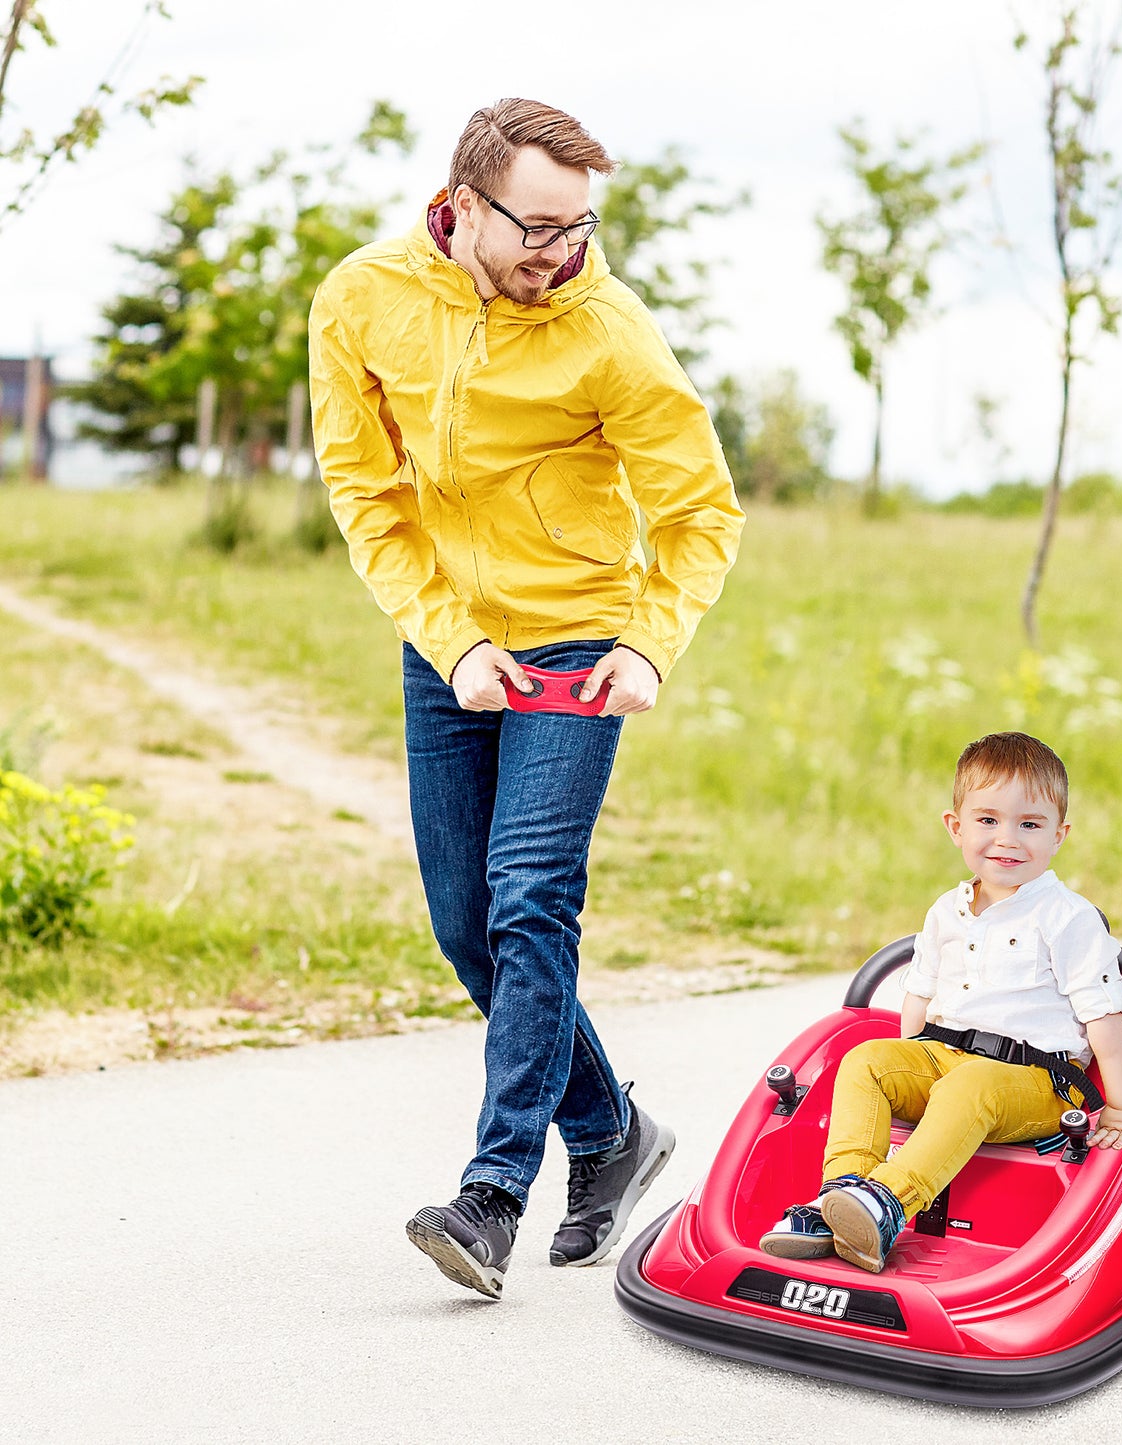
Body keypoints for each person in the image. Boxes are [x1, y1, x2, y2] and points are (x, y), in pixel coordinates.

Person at [308, 99, 744, 1299]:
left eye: (579, 225)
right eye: (539, 227)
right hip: (448, 641)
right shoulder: (361, 298)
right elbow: (367, 496)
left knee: (529, 898)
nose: (563, 250)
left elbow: (700, 511)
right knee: (466, 922)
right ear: (464, 205)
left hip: (579, 642)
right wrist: (450, 641)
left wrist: (648, 644)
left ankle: (492, 1195)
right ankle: (611, 1130)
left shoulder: (608, 330)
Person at [760, 731, 1122, 1273]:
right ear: (956, 827)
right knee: (867, 1059)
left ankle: (889, 1202)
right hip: (946, 1058)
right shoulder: (947, 910)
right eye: (988, 820)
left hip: (1036, 1081)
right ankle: (839, 1200)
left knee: (971, 1084)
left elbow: (1104, 1015)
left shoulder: (1069, 918)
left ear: (1059, 835)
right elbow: (920, 993)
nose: (1007, 840)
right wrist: (910, 1069)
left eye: (1029, 825)